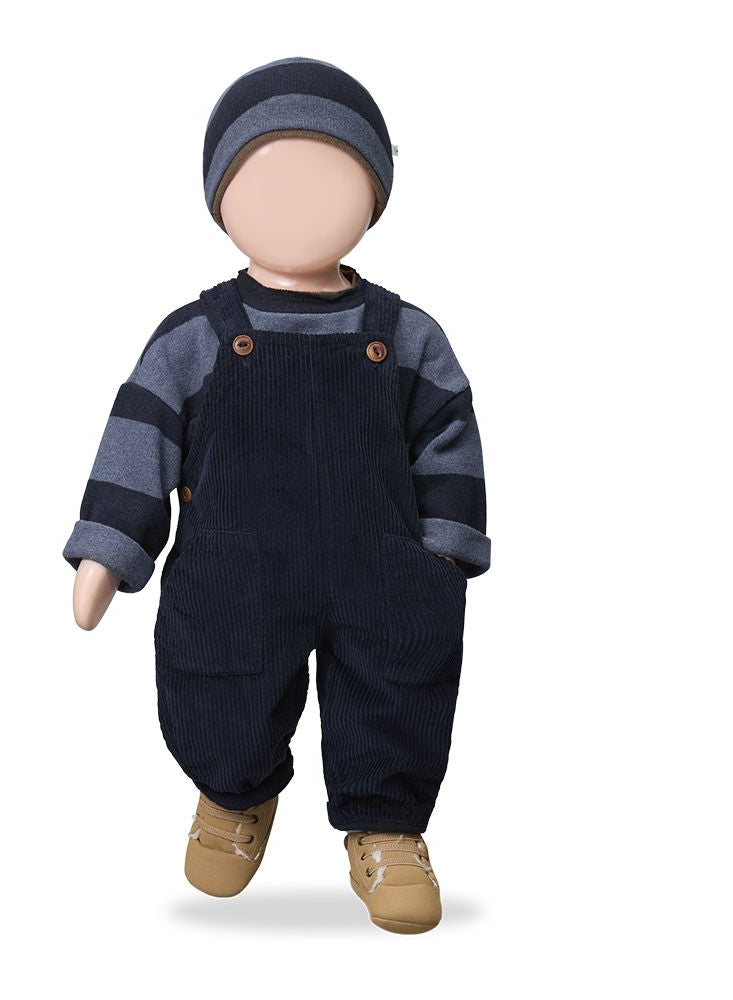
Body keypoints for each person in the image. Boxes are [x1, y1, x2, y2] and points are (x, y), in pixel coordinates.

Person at [63, 57, 490, 934]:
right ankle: (234, 791)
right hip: (236, 566)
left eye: (329, 175)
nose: (296, 200)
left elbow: (449, 438)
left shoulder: (409, 336)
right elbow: (140, 435)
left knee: (398, 688)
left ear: (374, 195)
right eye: (266, 178)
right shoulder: (194, 337)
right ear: (220, 196)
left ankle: (387, 825)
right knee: (217, 679)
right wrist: (108, 547)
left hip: (384, 567)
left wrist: (446, 551)